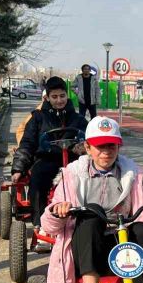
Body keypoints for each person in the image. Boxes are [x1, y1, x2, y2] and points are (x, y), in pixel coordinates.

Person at [40, 117, 143, 283]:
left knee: (142, 229)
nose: (106, 152)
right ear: (88, 147)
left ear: (118, 147)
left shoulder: (131, 175)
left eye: (111, 146)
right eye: (100, 146)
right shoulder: (72, 176)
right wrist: (58, 211)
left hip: (121, 248)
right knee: (91, 212)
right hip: (86, 247)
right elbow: (49, 224)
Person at [11, 76, 88, 229]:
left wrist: (83, 147)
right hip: (47, 158)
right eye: (54, 97)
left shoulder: (78, 119)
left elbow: (91, 141)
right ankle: (40, 225)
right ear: (47, 97)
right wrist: (18, 168)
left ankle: (84, 220)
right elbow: (27, 143)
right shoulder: (38, 118)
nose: (59, 100)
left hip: (73, 160)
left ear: (67, 95)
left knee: (87, 177)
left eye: (62, 96)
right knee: (38, 177)